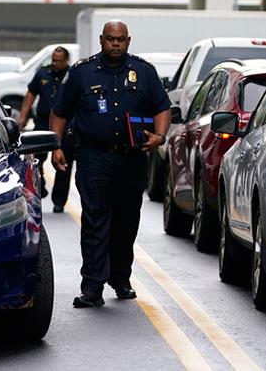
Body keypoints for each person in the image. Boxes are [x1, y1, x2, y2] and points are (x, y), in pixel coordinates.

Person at [50, 20, 171, 308]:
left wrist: (160, 136)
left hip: (131, 158)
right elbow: (59, 111)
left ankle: (120, 277)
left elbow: (162, 107)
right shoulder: (82, 72)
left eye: (120, 40)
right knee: (95, 219)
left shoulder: (143, 72)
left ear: (128, 41)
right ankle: (92, 286)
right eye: (109, 39)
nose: (115, 44)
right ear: (101, 40)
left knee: (126, 221)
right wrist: (55, 147)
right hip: (94, 156)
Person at [16, 46, 73, 213]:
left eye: (58, 60)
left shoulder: (72, 75)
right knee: (36, 160)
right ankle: (40, 186)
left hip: (64, 125)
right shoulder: (42, 73)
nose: (55, 63)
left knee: (63, 162)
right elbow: (30, 95)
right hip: (43, 123)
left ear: (66, 60)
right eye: (53, 60)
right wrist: (23, 117)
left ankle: (59, 201)